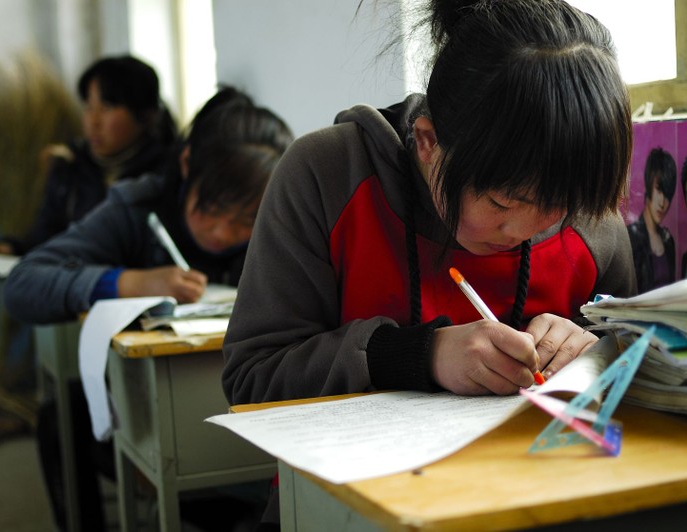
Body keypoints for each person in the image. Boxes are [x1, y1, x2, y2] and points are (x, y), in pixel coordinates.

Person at [222, 2, 636, 525]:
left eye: (557, 207)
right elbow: (252, 380)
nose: (524, 231)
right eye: (503, 203)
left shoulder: (592, 216)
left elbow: (640, 368)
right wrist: (420, 355)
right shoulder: (329, 177)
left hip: (551, 502)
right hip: (353, 509)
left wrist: (595, 354)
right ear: (427, 141)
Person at [4, 86, 293, 531]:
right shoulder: (137, 206)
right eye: (210, 208)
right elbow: (24, 283)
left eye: (245, 221)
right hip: (141, 398)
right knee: (61, 421)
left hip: (251, 405)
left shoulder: (283, 214)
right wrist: (128, 281)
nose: (221, 232)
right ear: (185, 166)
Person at [0, 54, 177, 266]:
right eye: (88, 106)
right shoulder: (69, 167)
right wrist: (13, 248)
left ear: (146, 115)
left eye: (107, 107)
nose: (93, 121)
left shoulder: (168, 173)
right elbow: (46, 237)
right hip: (77, 290)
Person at [627, 147, 677, 293]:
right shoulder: (631, 236)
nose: (663, 202)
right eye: (659, 190)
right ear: (649, 186)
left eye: (667, 195)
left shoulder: (668, 241)